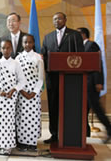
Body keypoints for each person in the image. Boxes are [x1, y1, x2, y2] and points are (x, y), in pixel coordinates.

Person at [41, 12, 84, 144]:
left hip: (70, 79)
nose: (57, 21)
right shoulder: (48, 37)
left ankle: (68, 134)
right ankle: (54, 134)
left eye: (59, 18)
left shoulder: (74, 35)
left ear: (65, 20)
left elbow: (81, 56)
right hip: (52, 78)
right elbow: (43, 56)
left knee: (68, 106)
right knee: (53, 107)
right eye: (54, 19)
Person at [0, 40, 26, 155]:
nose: (6, 50)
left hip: (12, 98)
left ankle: (9, 145)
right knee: (1, 121)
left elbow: (22, 81)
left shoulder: (16, 64)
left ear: (12, 49)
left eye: (8, 48)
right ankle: (3, 145)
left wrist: (14, 89)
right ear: (0, 49)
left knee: (10, 121)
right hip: (1, 98)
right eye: (4, 48)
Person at [77, 27, 111, 143]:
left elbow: (97, 64)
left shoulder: (92, 45)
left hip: (92, 83)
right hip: (82, 83)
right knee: (83, 109)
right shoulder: (80, 46)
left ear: (83, 34)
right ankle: (84, 132)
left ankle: (109, 128)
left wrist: (98, 82)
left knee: (97, 109)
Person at [15, 34, 44, 151]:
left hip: (34, 92)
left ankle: (32, 143)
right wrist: (21, 91)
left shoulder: (38, 58)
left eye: (30, 42)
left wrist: (34, 92)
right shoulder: (17, 58)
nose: (27, 44)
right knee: (21, 117)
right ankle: (22, 142)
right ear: (22, 44)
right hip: (21, 92)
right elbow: (16, 77)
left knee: (33, 117)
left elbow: (41, 78)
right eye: (25, 42)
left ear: (33, 43)